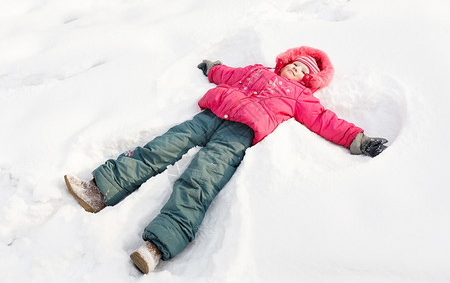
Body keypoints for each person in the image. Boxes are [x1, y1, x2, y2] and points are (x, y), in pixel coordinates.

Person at [64, 46, 388, 274]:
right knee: (159, 148)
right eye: (296, 63)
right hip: (208, 118)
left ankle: (158, 246)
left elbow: (325, 120)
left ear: (309, 80)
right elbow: (228, 74)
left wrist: (358, 140)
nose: (297, 69)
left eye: (305, 70)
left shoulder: (301, 98)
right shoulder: (258, 72)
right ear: (286, 61)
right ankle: (99, 190)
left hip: (238, 136)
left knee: (200, 180)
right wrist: (213, 67)